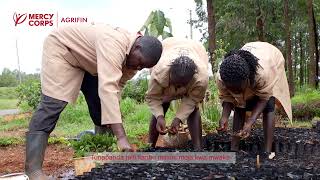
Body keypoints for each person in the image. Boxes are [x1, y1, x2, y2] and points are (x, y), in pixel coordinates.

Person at [25, 23, 162, 179]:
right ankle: (33, 170)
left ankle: (103, 152)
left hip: (91, 63)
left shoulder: (133, 61)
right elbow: (108, 88)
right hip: (64, 50)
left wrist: (114, 115)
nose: (138, 68)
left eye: (143, 67)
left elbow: (116, 89)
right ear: (136, 47)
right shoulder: (113, 42)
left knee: (101, 107)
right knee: (53, 104)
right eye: (140, 62)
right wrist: (122, 138)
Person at [216, 41, 292, 153]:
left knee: (269, 106)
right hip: (250, 61)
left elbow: (264, 98)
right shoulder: (222, 77)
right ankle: (234, 148)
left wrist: (250, 122)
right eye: (231, 89)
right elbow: (227, 97)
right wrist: (224, 117)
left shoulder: (263, 74)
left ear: (247, 79)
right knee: (239, 106)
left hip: (271, 57)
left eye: (237, 89)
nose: (234, 92)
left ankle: (267, 149)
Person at [146, 37, 209, 150]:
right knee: (163, 102)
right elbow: (153, 97)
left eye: (182, 85)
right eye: (175, 84)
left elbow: (192, 100)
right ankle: (149, 146)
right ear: (169, 74)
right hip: (168, 46)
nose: (178, 88)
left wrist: (178, 119)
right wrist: (159, 116)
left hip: (196, 49)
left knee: (193, 108)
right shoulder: (159, 72)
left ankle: (198, 149)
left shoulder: (201, 78)